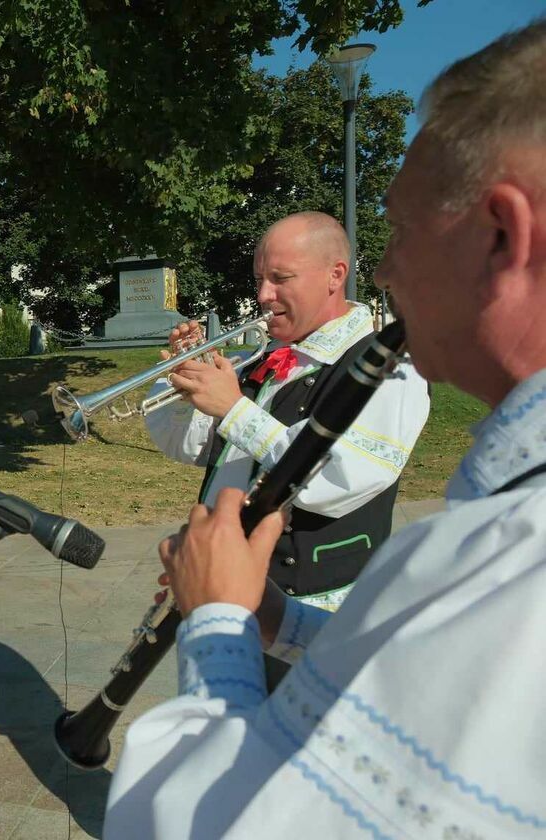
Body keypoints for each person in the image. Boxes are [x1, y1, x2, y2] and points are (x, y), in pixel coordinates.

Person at [106, 21, 546, 838]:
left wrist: (218, 632)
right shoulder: (503, 508)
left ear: (505, 236)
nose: (388, 268)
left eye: (403, 230)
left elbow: (222, 820)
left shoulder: (512, 553)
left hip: (315, 586)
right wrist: (187, 393)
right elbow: (195, 448)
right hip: (286, 610)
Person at [145, 212, 430, 673]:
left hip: (317, 622)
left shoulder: (394, 370)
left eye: (281, 279)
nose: (263, 296)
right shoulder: (262, 360)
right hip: (228, 598)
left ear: (335, 275)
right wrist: (184, 383)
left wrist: (235, 410)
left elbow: (339, 480)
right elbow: (188, 445)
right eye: (260, 278)